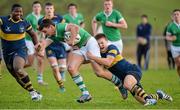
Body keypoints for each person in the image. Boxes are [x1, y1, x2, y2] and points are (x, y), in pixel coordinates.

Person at [38, 19, 128, 103]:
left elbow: (75, 27)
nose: (45, 33)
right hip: (79, 49)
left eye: (45, 31)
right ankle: (86, 93)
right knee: (71, 68)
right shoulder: (52, 36)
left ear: (50, 27)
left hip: (90, 43)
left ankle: (119, 83)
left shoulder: (60, 26)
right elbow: (45, 43)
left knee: (99, 72)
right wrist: (39, 47)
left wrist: (72, 40)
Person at [86, 33, 173, 106]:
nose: (100, 45)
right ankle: (159, 95)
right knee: (144, 101)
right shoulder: (99, 55)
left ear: (107, 41)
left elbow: (108, 62)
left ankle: (148, 99)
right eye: (98, 44)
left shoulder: (112, 47)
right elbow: (98, 69)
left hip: (132, 70)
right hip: (124, 78)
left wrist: (92, 57)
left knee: (127, 85)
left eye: (102, 43)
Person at [0, 4, 42, 101]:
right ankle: (34, 91)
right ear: (11, 12)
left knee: (18, 69)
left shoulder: (24, 22)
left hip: (20, 49)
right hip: (6, 52)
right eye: (16, 11)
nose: (19, 13)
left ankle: (33, 94)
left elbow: (33, 34)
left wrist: (36, 44)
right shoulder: (3, 20)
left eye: (20, 12)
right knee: (17, 77)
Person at [38, 2, 66, 92]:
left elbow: (64, 29)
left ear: (53, 9)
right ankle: (61, 86)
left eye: (50, 8)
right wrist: (41, 46)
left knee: (62, 67)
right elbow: (41, 34)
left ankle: (62, 74)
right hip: (49, 45)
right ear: (44, 9)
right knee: (54, 66)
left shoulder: (60, 18)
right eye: (47, 8)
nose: (49, 10)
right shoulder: (41, 20)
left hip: (60, 44)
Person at [25, 1, 48, 85]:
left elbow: (46, 30)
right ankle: (16, 69)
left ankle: (40, 80)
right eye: (35, 7)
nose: (37, 8)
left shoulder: (43, 17)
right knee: (30, 63)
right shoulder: (29, 17)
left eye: (38, 6)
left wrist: (43, 39)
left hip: (40, 41)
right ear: (32, 8)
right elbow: (26, 30)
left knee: (41, 59)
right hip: (29, 41)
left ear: (41, 8)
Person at [166, 9, 180, 77]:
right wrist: (172, 38)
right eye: (175, 14)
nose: (176, 16)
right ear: (173, 16)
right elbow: (167, 37)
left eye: (177, 14)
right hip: (174, 47)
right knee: (178, 64)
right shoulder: (170, 26)